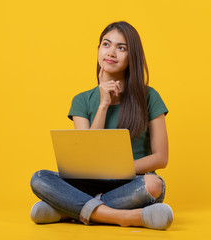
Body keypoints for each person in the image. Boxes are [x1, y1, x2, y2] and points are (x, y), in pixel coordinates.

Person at [30, 21, 173, 230]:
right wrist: (103, 105)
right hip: (88, 182)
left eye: (121, 47)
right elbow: (86, 155)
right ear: (98, 50)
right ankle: (125, 217)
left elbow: (161, 158)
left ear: (131, 56)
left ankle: (66, 209)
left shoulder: (149, 97)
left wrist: (118, 170)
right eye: (106, 45)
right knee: (40, 178)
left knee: (154, 185)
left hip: (130, 183)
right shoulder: (82, 100)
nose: (112, 52)